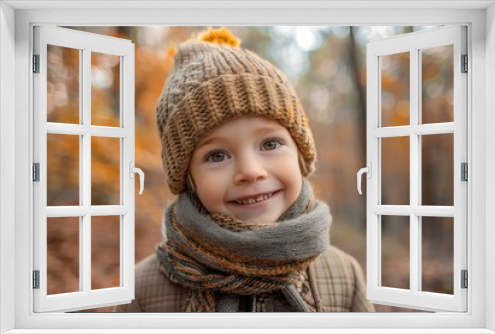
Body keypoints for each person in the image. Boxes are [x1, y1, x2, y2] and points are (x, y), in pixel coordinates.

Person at [114, 27, 374, 313]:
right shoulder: (143, 289)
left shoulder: (344, 276)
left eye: (270, 143)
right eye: (217, 156)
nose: (251, 171)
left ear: (301, 154)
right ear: (189, 180)